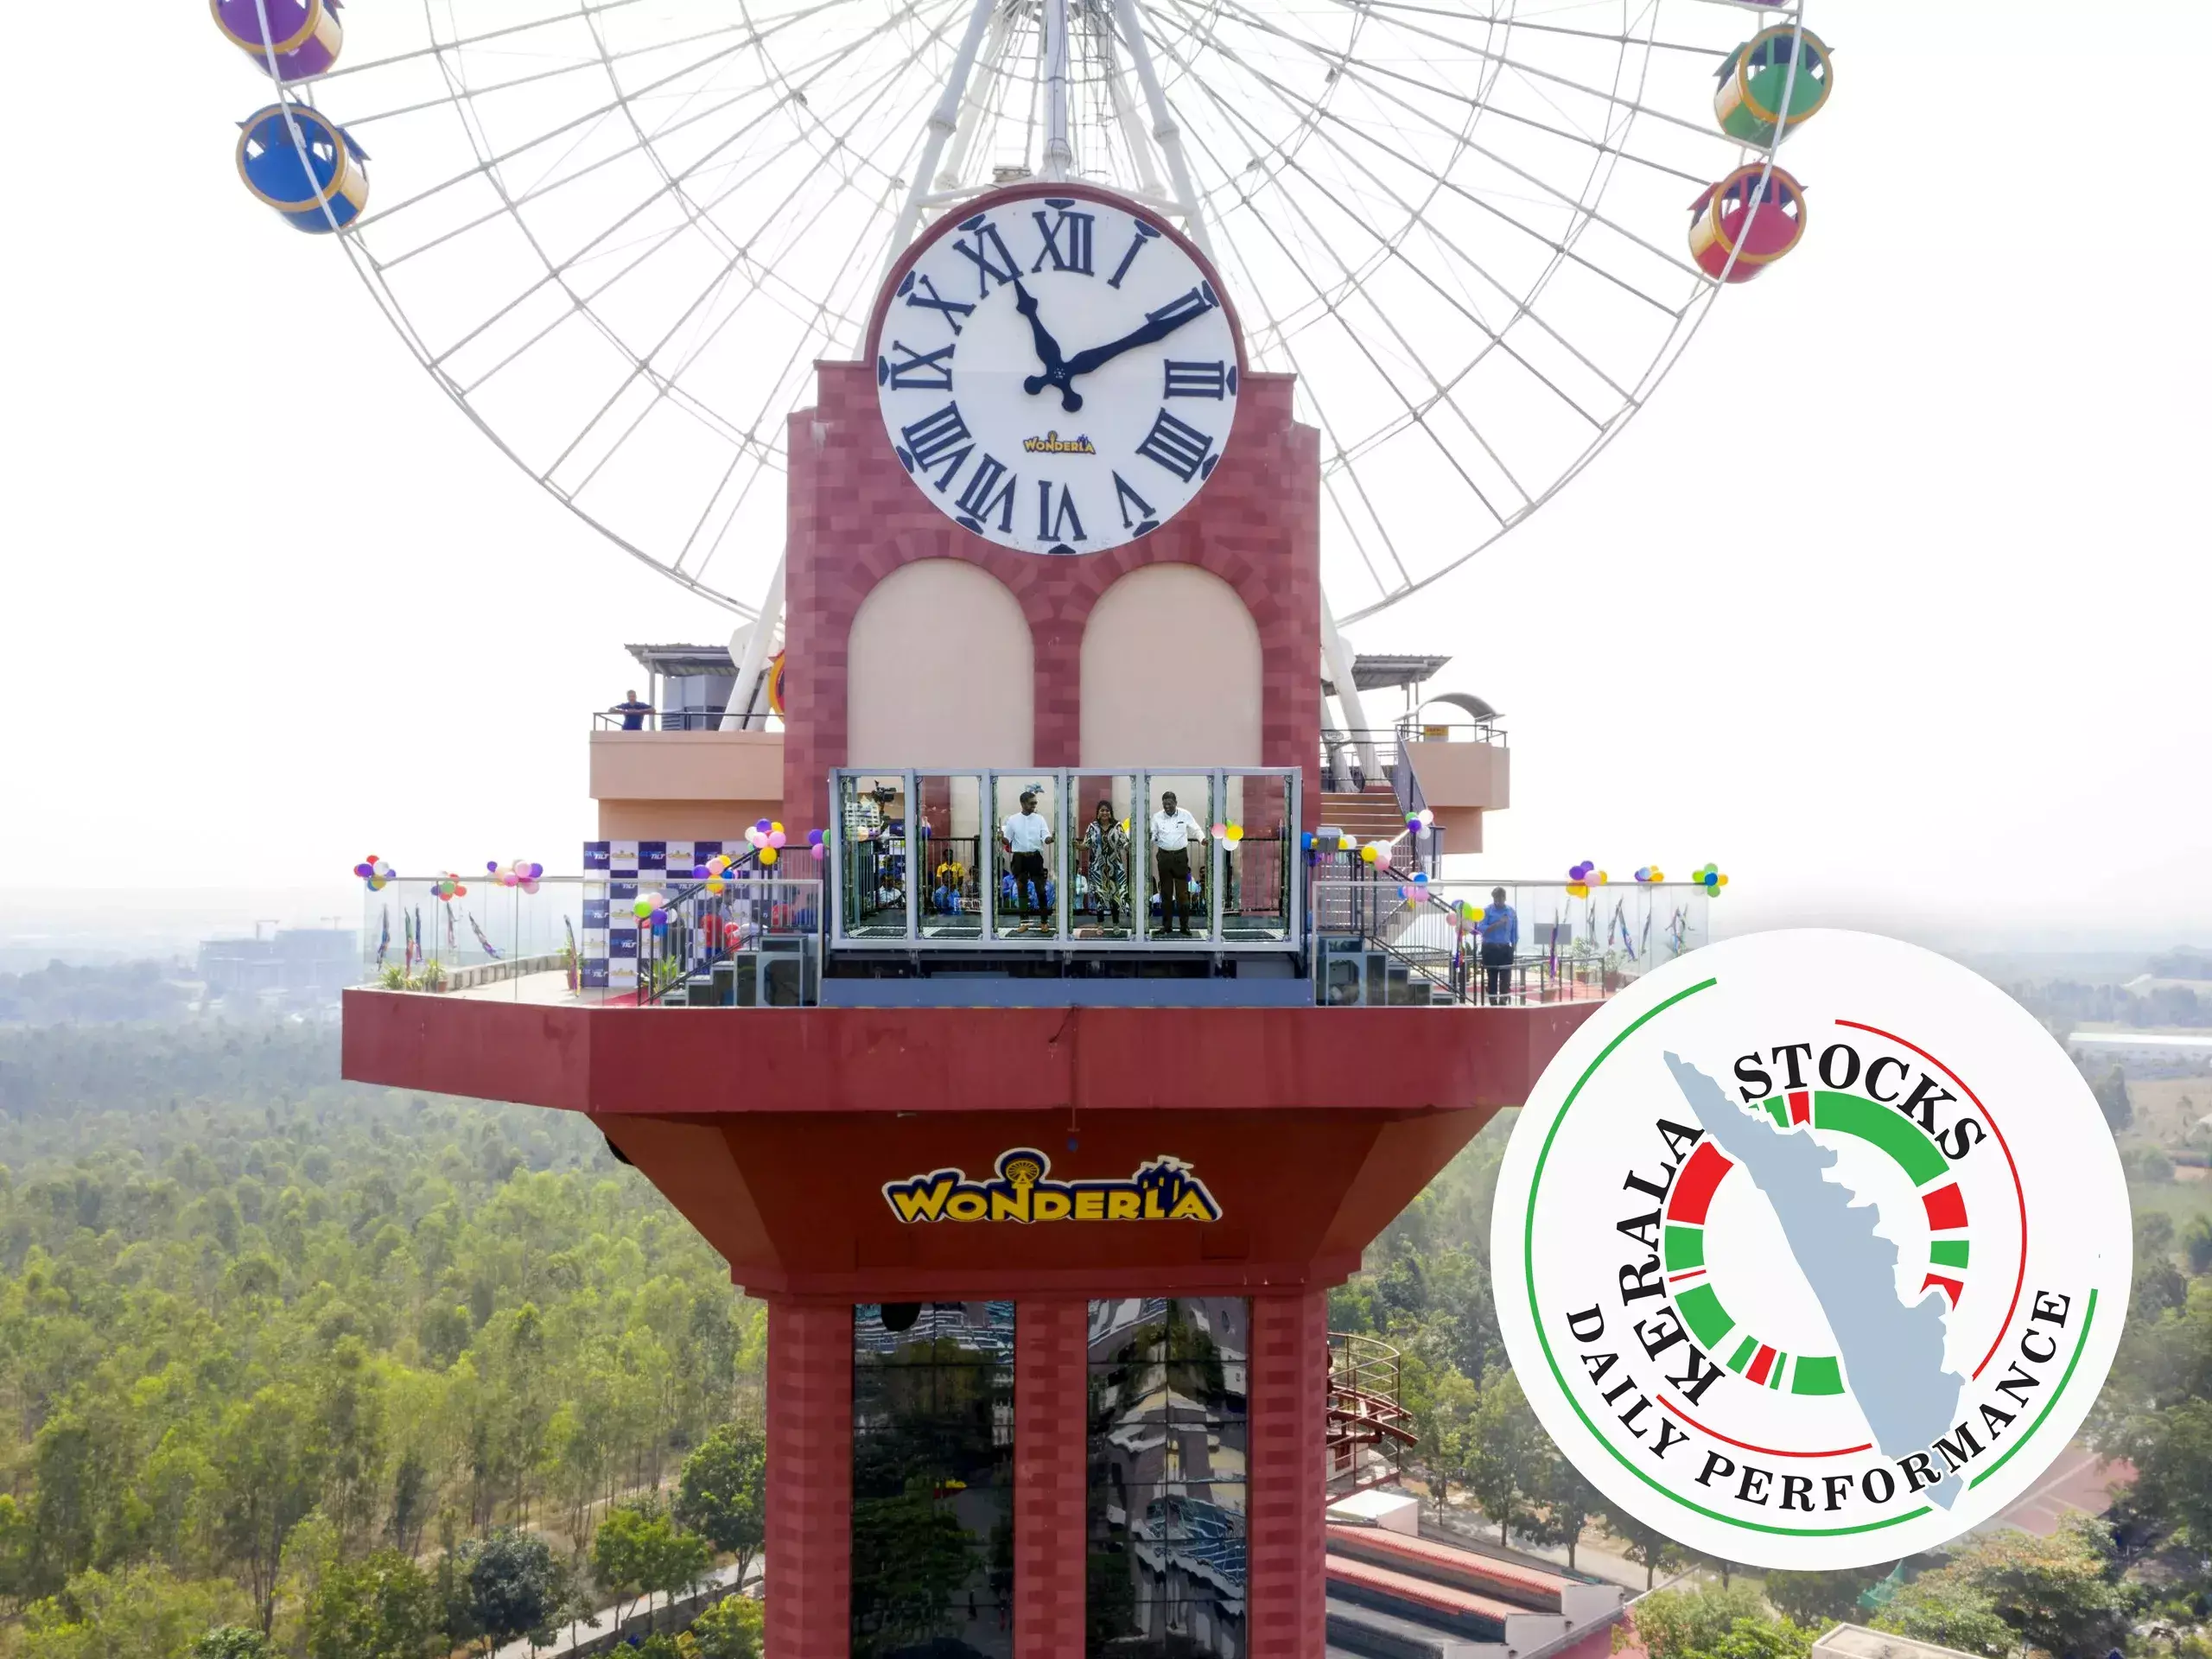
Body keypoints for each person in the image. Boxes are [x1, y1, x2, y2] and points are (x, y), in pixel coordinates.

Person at [1149, 791, 1205, 938]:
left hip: (1180, 857)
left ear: (1176, 803)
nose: (1167, 806)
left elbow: (1196, 828)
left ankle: (1184, 927)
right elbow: (1153, 834)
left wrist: (1202, 839)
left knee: (1182, 893)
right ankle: (1166, 927)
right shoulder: (1157, 817)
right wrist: (1149, 840)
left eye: (1170, 803)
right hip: (1164, 857)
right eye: (1165, 804)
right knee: (1166, 893)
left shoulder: (1185, 814)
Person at [1000, 790, 1052, 929]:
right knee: (1022, 891)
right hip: (1019, 858)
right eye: (1031, 803)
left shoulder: (1040, 819)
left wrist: (1052, 838)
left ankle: (1044, 922)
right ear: (1022, 803)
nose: (1034, 805)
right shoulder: (1013, 820)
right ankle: (1024, 923)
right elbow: (1007, 840)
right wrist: (1001, 837)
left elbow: (1046, 838)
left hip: (1035, 857)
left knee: (1040, 890)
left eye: (1035, 803)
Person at [1081, 799, 1129, 926]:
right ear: (1098, 813)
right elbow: (1086, 844)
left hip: (1114, 867)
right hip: (1097, 868)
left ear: (1111, 812)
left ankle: (1116, 924)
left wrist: (1129, 846)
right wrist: (1077, 846)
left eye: (1107, 810)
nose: (1105, 813)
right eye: (1102, 810)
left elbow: (1124, 843)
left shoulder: (1117, 826)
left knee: (1115, 897)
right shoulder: (1092, 827)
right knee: (1099, 897)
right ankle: (1100, 924)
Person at [1478, 885, 1518, 1004]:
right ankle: (1493, 1000)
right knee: (1492, 976)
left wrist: (1513, 946)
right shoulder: (1487, 911)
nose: (1497, 901)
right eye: (1495, 898)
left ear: (1504, 898)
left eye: (1500, 898)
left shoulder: (1511, 912)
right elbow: (1481, 929)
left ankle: (1504, 1000)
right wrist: (1498, 923)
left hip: (1505, 948)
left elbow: (1514, 931)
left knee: (1506, 976)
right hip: (1490, 948)